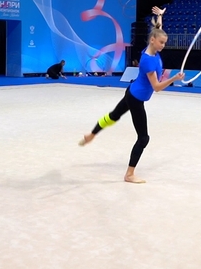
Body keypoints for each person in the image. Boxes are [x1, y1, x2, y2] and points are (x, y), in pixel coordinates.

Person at [78, 27, 185, 184]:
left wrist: (160, 17)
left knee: (114, 116)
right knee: (143, 138)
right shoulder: (148, 60)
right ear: (152, 40)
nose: (163, 45)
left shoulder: (150, 50)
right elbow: (156, 87)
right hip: (136, 99)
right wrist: (174, 78)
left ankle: (92, 134)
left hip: (131, 91)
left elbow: (157, 31)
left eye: (164, 43)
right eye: (161, 42)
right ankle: (129, 174)